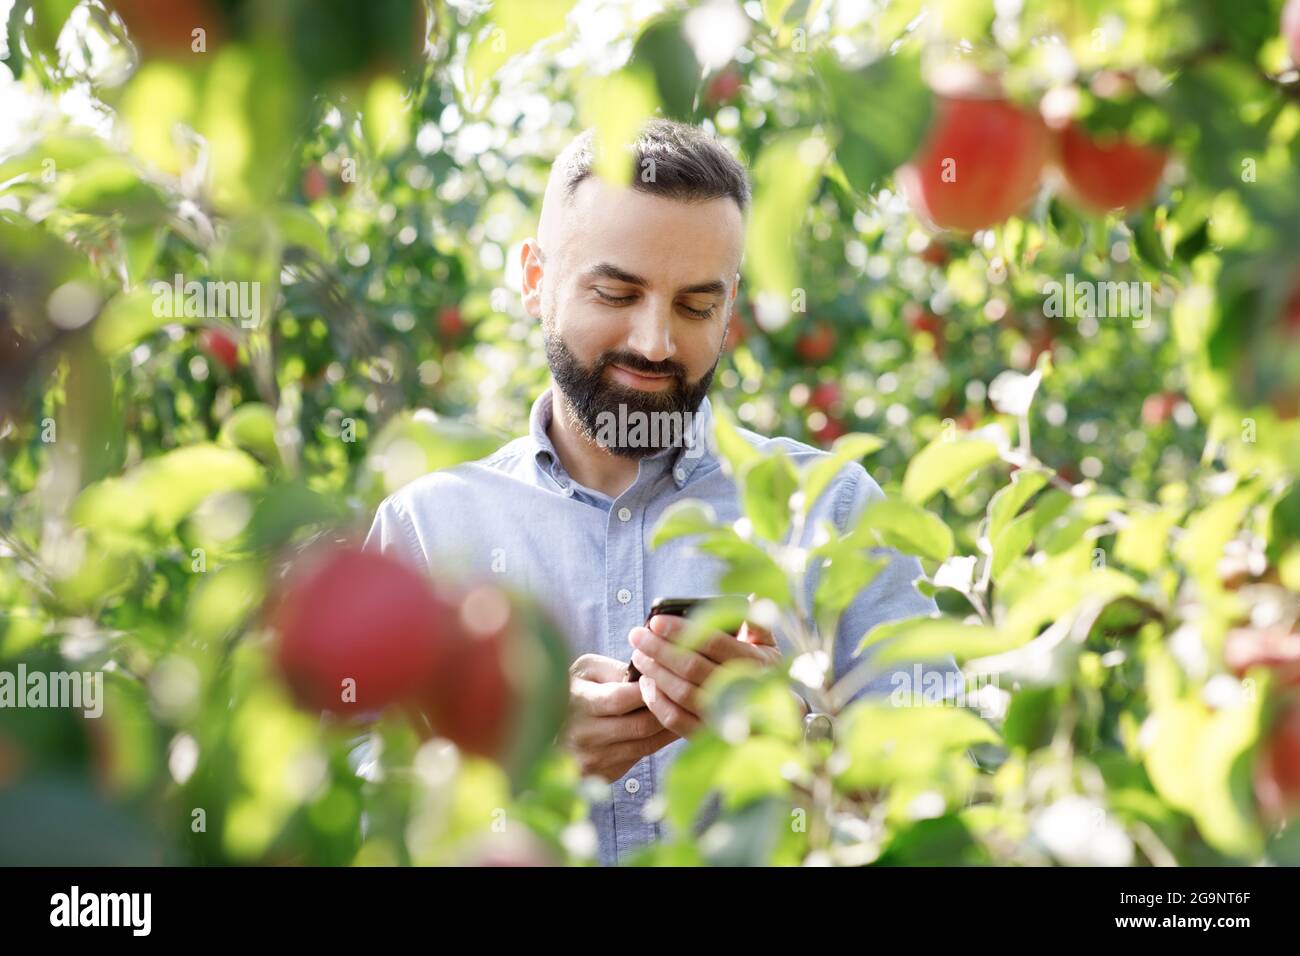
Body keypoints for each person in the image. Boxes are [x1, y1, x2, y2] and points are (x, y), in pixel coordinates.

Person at [365, 118, 957, 866]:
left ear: (731, 305)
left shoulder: (832, 511)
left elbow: (952, 797)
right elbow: (352, 824)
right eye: (617, 292)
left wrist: (791, 738)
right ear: (536, 279)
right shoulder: (428, 530)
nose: (655, 343)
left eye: (695, 306)